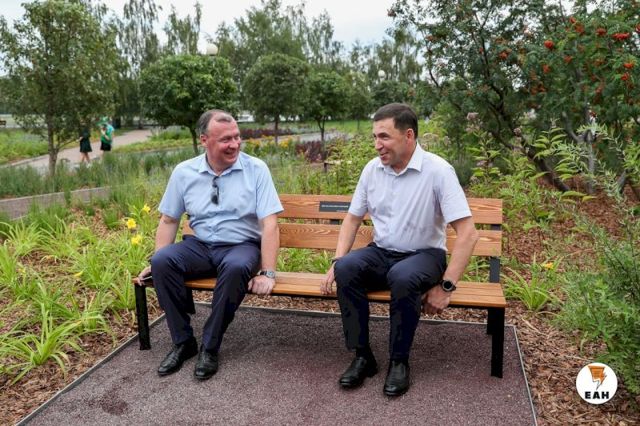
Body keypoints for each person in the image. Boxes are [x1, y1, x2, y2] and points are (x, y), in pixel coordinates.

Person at [320, 103, 479, 397]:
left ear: (408, 135)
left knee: (403, 276)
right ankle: (362, 356)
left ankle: (399, 361)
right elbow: (352, 218)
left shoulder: (438, 171)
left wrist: (446, 287)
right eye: (375, 137)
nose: (377, 145)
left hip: (424, 256)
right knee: (347, 268)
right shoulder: (372, 170)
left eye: (384, 136)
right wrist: (337, 260)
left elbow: (468, 234)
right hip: (382, 252)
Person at [136, 109, 282, 380]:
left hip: (241, 246)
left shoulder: (256, 169)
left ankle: (210, 346)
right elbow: (169, 220)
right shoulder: (184, 172)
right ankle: (183, 342)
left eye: (237, 137)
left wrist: (268, 273)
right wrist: (156, 260)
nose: (235, 144)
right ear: (204, 140)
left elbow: (270, 224)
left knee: (236, 266)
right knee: (162, 262)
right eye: (226, 139)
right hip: (200, 246)